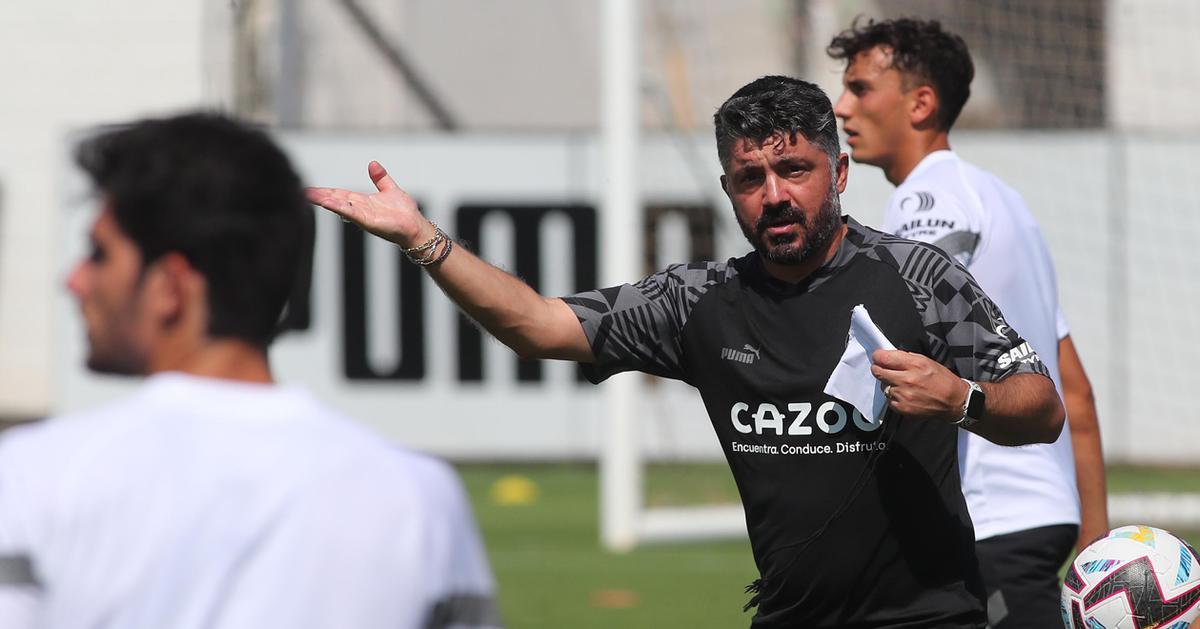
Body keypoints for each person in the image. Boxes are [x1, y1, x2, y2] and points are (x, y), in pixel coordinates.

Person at [308, 76, 1065, 628]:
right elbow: (538, 324)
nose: (773, 194)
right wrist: (426, 242)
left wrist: (960, 399)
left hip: (931, 617)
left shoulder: (918, 277)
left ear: (836, 173)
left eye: (794, 170)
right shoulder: (698, 300)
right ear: (729, 189)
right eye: (750, 178)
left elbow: (1042, 405)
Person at [0, 113, 499, 629]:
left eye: (99, 254)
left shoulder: (34, 476)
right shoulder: (419, 497)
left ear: (171, 287)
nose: (75, 280)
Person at [828, 17, 1109, 628]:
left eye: (860, 88)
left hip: (990, 516)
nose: (841, 106)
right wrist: (1093, 534)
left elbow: (904, 350)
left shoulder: (927, 204)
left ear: (921, 103)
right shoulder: (1007, 203)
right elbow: (1075, 391)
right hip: (1042, 512)